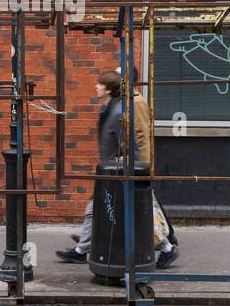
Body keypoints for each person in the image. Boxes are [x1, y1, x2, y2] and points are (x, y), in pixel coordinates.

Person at [56, 68, 180, 268]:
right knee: (97, 207)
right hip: (114, 169)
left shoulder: (134, 102)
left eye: (118, 73)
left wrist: (142, 168)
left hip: (126, 168)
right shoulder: (117, 103)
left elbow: (140, 136)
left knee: (143, 208)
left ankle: (167, 246)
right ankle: (82, 247)